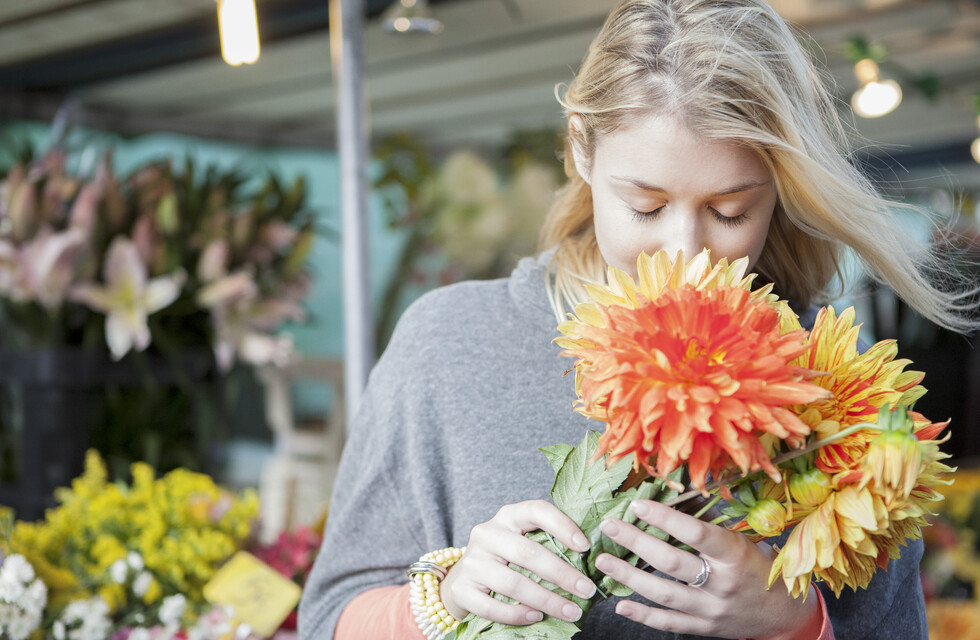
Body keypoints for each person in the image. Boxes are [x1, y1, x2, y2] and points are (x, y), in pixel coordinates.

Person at [299, 1, 976, 638]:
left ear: (782, 188)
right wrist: (444, 602)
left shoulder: (835, 391)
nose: (685, 250)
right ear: (581, 151)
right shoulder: (448, 342)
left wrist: (791, 623)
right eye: (646, 207)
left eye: (731, 210)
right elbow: (328, 615)